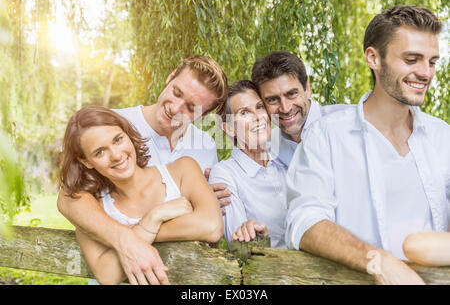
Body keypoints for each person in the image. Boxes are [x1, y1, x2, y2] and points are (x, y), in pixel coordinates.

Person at [285, 5, 449, 285]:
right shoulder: (327, 135)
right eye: (412, 59)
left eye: (432, 62)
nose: (425, 73)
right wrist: (378, 261)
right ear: (373, 58)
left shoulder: (442, 137)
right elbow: (304, 222)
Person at [57, 55, 230, 285]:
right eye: (176, 92)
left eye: (191, 107)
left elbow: (209, 223)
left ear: (204, 115)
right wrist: (127, 237)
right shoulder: (116, 126)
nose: (175, 108)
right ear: (170, 78)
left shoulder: (205, 146)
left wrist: (203, 200)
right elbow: (68, 199)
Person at [209, 81, 288, 248]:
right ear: (229, 129)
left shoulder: (285, 157)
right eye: (244, 112)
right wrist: (254, 235)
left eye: (259, 107)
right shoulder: (224, 174)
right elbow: (239, 244)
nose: (257, 116)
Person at [251, 51, 348, 169]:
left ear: (307, 88)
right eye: (272, 100)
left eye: (292, 94)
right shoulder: (268, 148)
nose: (285, 108)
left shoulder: (348, 121)